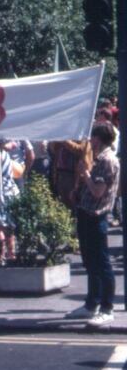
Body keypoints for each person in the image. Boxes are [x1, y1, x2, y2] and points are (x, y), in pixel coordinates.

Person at [66, 123, 120, 327]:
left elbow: (98, 191)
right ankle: (92, 304)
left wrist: (86, 174)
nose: (90, 141)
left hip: (97, 216)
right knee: (90, 262)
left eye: (93, 137)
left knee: (102, 263)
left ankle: (107, 308)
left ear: (100, 138)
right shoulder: (99, 158)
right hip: (86, 213)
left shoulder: (107, 160)